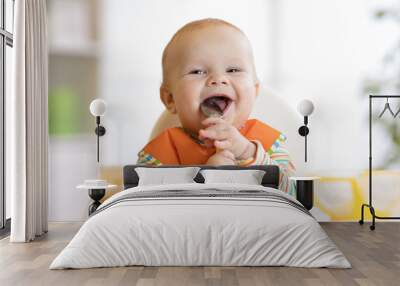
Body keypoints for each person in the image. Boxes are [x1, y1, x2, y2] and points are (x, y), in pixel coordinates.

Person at [137, 18, 296, 196]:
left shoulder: (269, 146)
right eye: (197, 71)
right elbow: (145, 208)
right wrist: (203, 180)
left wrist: (247, 153)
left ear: (255, 90)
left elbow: (295, 196)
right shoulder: (158, 157)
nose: (218, 79)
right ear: (170, 99)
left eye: (233, 70)